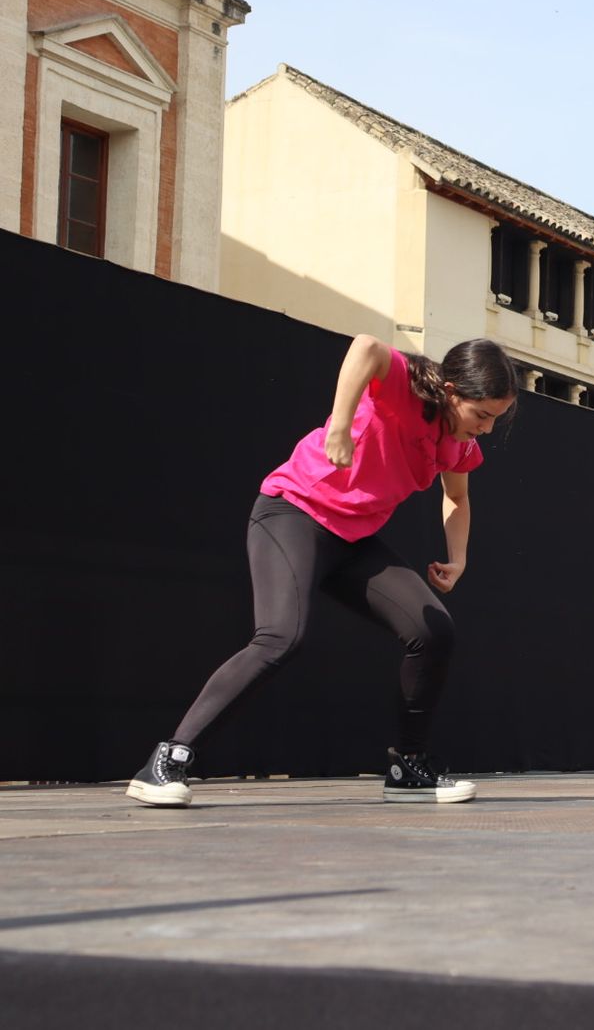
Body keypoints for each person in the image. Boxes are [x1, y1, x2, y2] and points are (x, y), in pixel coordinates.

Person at [126, 335, 519, 807]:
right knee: (281, 637)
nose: (486, 428)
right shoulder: (406, 388)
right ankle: (168, 760)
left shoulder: (458, 444)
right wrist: (340, 425)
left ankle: (408, 768)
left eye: (495, 419)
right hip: (293, 513)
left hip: (352, 538)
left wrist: (459, 559)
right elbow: (366, 347)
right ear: (452, 391)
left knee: (433, 631)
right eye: (482, 414)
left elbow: (456, 497)